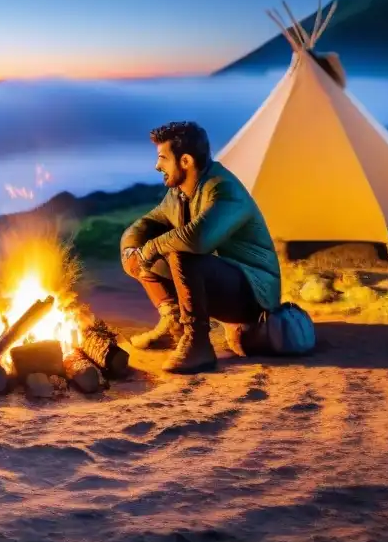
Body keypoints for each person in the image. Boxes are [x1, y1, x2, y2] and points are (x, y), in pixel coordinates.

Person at [119, 121, 282, 374]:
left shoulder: (224, 190)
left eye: (162, 158)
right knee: (154, 251)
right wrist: (132, 249)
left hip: (253, 294)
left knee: (182, 252)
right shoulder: (179, 193)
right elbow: (148, 223)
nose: (157, 166)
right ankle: (174, 322)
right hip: (219, 280)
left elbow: (198, 240)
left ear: (185, 161)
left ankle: (198, 343)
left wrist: (149, 250)